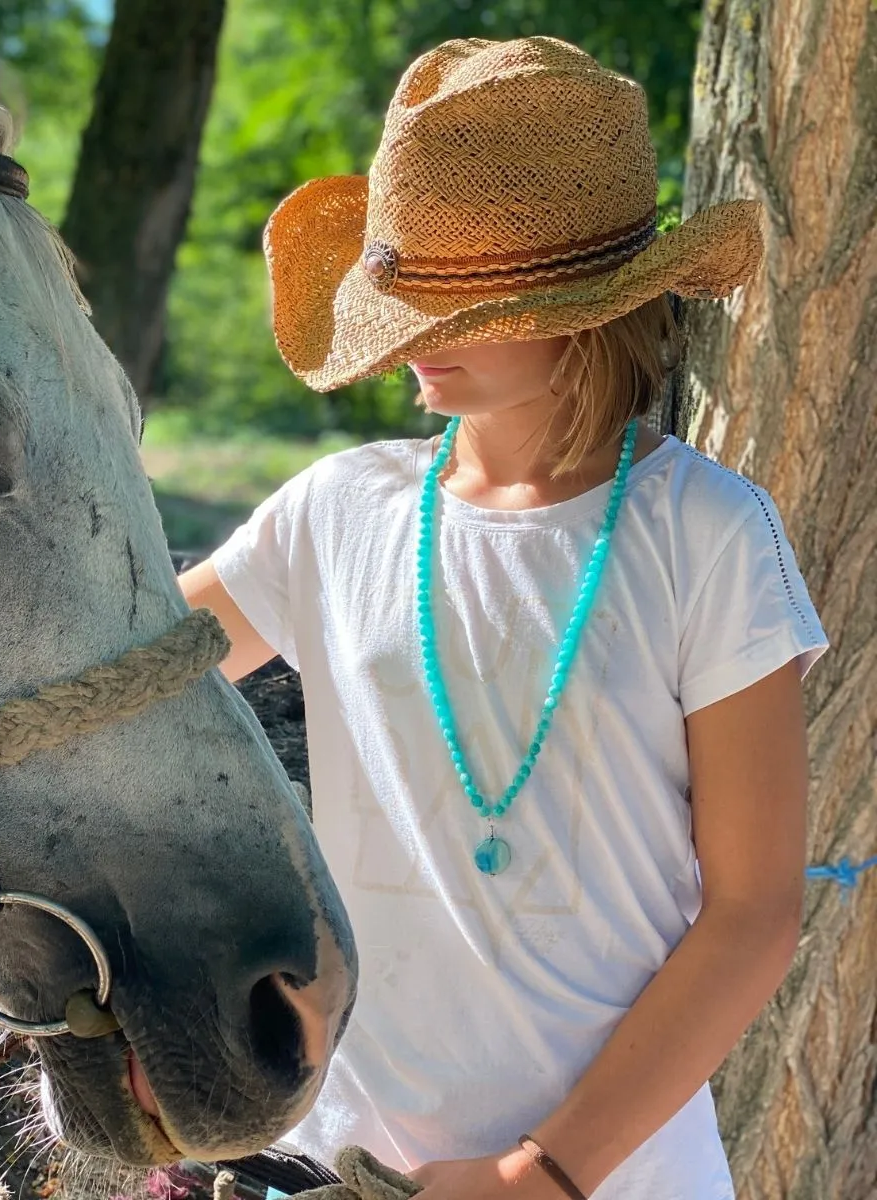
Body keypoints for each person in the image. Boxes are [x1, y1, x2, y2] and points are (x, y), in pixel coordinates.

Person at [180, 37, 828, 1200]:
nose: (417, 333)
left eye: (463, 299)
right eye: (407, 292)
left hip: (616, 1179)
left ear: (589, 309)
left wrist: (544, 1173)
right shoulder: (334, 513)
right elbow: (125, 683)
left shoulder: (710, 536)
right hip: (337, 1164)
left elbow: (753, 913)